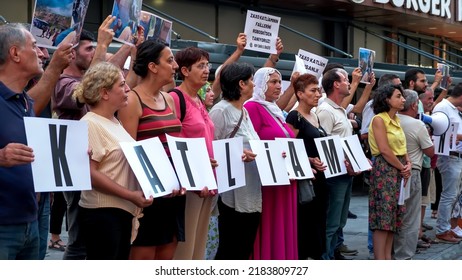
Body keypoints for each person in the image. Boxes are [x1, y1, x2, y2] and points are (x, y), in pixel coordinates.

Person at [52, 16, 123, 260]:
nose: (93, 52)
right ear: (71, 54)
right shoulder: (62, 83)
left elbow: (108, 77)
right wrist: (103, 45)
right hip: (77, 169)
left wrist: (129, 46)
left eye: (95, 47)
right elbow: (90, 88)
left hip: (96, 167)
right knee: (79, 239)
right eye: (88, 48)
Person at [73, 62, 153, 260]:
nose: (127, 89)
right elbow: (89, 174)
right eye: (122, 85)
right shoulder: (90, 122)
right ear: (104, 93)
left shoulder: (114, 121)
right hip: (103, 213)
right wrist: (130, 195)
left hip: (120, 211)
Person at [118, 40, 185, 260]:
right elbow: (130, 153)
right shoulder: (131, 101)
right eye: (170, 60)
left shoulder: (169, 99)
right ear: (152, 67)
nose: (175, 66)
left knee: (167, 256)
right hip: (149, 195)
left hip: (175, 192)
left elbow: (176, 144)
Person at [0, 23, 45, 260]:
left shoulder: (26, 102)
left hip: (30, 222)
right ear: (15, 53)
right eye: (35, 46)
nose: (42, 53)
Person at [244, 67, 298, 260]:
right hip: (268, 180)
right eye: (272, 81)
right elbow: (251, 141)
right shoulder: (252, 107)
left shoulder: (275, 110)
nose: (278, 85)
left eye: (279, 81)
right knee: (269, 223)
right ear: (260, 84)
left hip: (284, 178)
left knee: (282, 224)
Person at [209, 62, 260, 260]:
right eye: (251, 81)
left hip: (250, 189)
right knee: (231, 248)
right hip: (231, 194)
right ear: (241, 84)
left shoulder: (244, 111)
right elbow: (212, 149)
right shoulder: (220, 111)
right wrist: (237, 156)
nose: (254, 85)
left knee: (244, 247)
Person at [170, 47, 217, 260]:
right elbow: (172, 142)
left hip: (207, 179)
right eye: (201, 66)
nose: (206, 70)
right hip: (189, 181)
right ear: (185, 71)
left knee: (199, 245)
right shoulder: (176, 98)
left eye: (207, 65)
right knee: (185, 248)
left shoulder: (199, 100)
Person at [316, 68, 361, 260]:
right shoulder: (325, 110)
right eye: (345, 80)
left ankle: (332, 254)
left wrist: (357, 160)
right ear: (335, 84)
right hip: (334, 174)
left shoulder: (339, 109)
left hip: (346, 172)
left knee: (340, 220)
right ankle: (325, 258)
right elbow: (322, 143)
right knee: (332, 222)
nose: (349, 83)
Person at [286, 73, 328, 260]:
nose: (318, 94)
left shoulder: (314, 116)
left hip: (321, 178)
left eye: (318, 90)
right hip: (306, 179)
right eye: (313, 90)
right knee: (305, 223)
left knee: (319, 221)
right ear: (300, 94)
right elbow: (289, 147)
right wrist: (308, 160)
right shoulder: (295, 117)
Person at [368, 84, 411, 260]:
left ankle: (388, 259)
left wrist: (407, 163)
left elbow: (402, 145)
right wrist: (402, 168)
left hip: (399, 167)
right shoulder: (379, 119)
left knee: (393, 217)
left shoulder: (397, 119)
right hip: (385, 169)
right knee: (383, 218)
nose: (403, 99)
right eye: (398, 96)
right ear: (387, 99)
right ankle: (381, 260)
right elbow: (384, 150)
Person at [394, 89, 434, 259]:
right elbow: (430, 151)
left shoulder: (391, 120)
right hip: (413, 170)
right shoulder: (417, 124)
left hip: (392, 171)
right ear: (413, 104)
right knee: (410, 216)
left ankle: (390, 252)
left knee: (394, 215)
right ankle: (404, 255)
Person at [432, 83, 462, 243]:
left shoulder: (453, 109)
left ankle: (449, 226)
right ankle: (442, 229)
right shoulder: (443, 107)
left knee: (455, 195)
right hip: (449, 156)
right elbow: (441, 133)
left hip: (456, 156)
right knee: (449, 194)